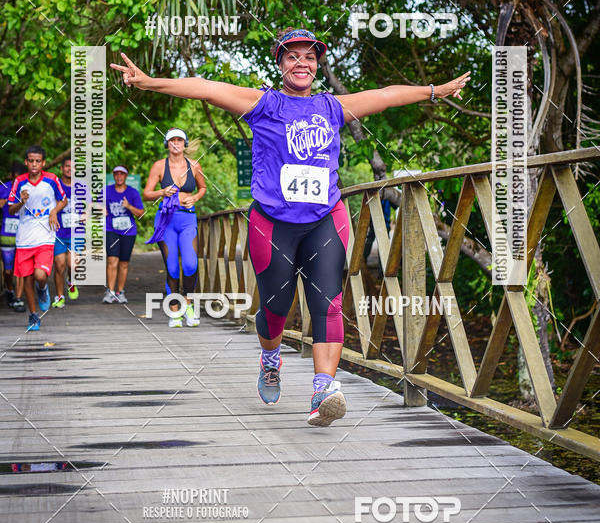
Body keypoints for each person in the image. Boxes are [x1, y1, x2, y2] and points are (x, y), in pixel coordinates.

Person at [111, 29, 470, 426]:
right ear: (280, 64)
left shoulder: (332, 107)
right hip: (272, 224)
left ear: (318, 65)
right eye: (292, 56)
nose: (302, 63)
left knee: (328, 305)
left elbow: (385, 95)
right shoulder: (263, 103)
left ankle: (323, 390)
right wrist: (148, 83)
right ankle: (270, 358)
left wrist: (434, 90)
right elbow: (204, 88)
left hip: (326, 220)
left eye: (310, 57)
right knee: (275, 310)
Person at [143, 128, 206, 328]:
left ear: (184, 143)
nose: (176, 143)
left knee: (190, 264)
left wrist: (194, 197)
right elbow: (147, 193)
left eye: (179, 140)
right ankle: (175, 311)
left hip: (187, 219)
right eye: (172, 140)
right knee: (171, 266)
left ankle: (188, 304)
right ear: (167, 144)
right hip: (166, 220)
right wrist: (162, 191)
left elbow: (202, 187)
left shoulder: (194, 166)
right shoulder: (159, 166)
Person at [8, 146, 67, 331]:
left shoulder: (51, 179)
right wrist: (21, 202)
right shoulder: (19, 182)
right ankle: (33, 316)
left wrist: (54, 212)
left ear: (43, 163)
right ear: (26, 162)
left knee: (40, 275)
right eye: (31, 161)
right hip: (25, 239)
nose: (34, 164)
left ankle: (43, 289)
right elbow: (10, 209)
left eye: (38, 161)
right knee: (27, 279)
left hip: (45, 236)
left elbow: (63, 199)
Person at [102, 166, 145, 304]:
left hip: (128, 231)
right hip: (111, 230)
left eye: (122, 174)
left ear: (126, 176)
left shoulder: (133, 193)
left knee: (124, 263)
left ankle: (120, 292)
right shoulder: (107, 191)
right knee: (112, 260)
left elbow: (141, 213)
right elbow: (94, 205)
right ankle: (110, 292)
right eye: (116, 174)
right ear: (113, 176)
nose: (119, 177)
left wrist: (129, 207)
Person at [52, 155, 81, 308]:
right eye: (67, 166)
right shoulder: (55, 186)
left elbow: (89, 206)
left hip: (76, 233)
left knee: (73, 265)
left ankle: (71, 282)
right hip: (58, 232)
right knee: (59, 265)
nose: (70, 169)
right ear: (62, 168)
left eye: (73, 166)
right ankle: (60, 296)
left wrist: (86, 215)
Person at [0, 160, 26, 312]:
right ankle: (10, 290)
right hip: (7, 234)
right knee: (8, 270)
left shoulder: (28, 190)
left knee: (21, 268)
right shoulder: (3, 188)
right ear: (11, 176)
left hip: (24, 235)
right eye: (15, 177)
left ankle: (18, 298)